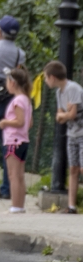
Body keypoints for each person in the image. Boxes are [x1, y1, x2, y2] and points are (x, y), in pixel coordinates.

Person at [0, 15, 26, 199]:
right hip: (9, 100)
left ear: (0, 32)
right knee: (8, 144)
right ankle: (6, 189)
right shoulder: (20, 53)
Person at [44, 60, 83, 213]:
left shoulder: (72, 88)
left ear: (52, 77)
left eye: (46, 78)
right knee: (73, 168)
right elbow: (58, 116)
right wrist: (66, 114)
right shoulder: (59, 93)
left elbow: (72, 114)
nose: (46, 81)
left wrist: (65, 114)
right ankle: (72, 206)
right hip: (72, 133)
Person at [0, 66, 33, 213]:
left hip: (13, 141)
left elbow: (20, 121)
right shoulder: (26, 100)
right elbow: (29, 123)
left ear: (12, 83)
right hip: (23, 140)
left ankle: (16, 206)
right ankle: (19, 205)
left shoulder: (17, 100)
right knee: (19, 174)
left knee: (13, 174)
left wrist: (5, 122)